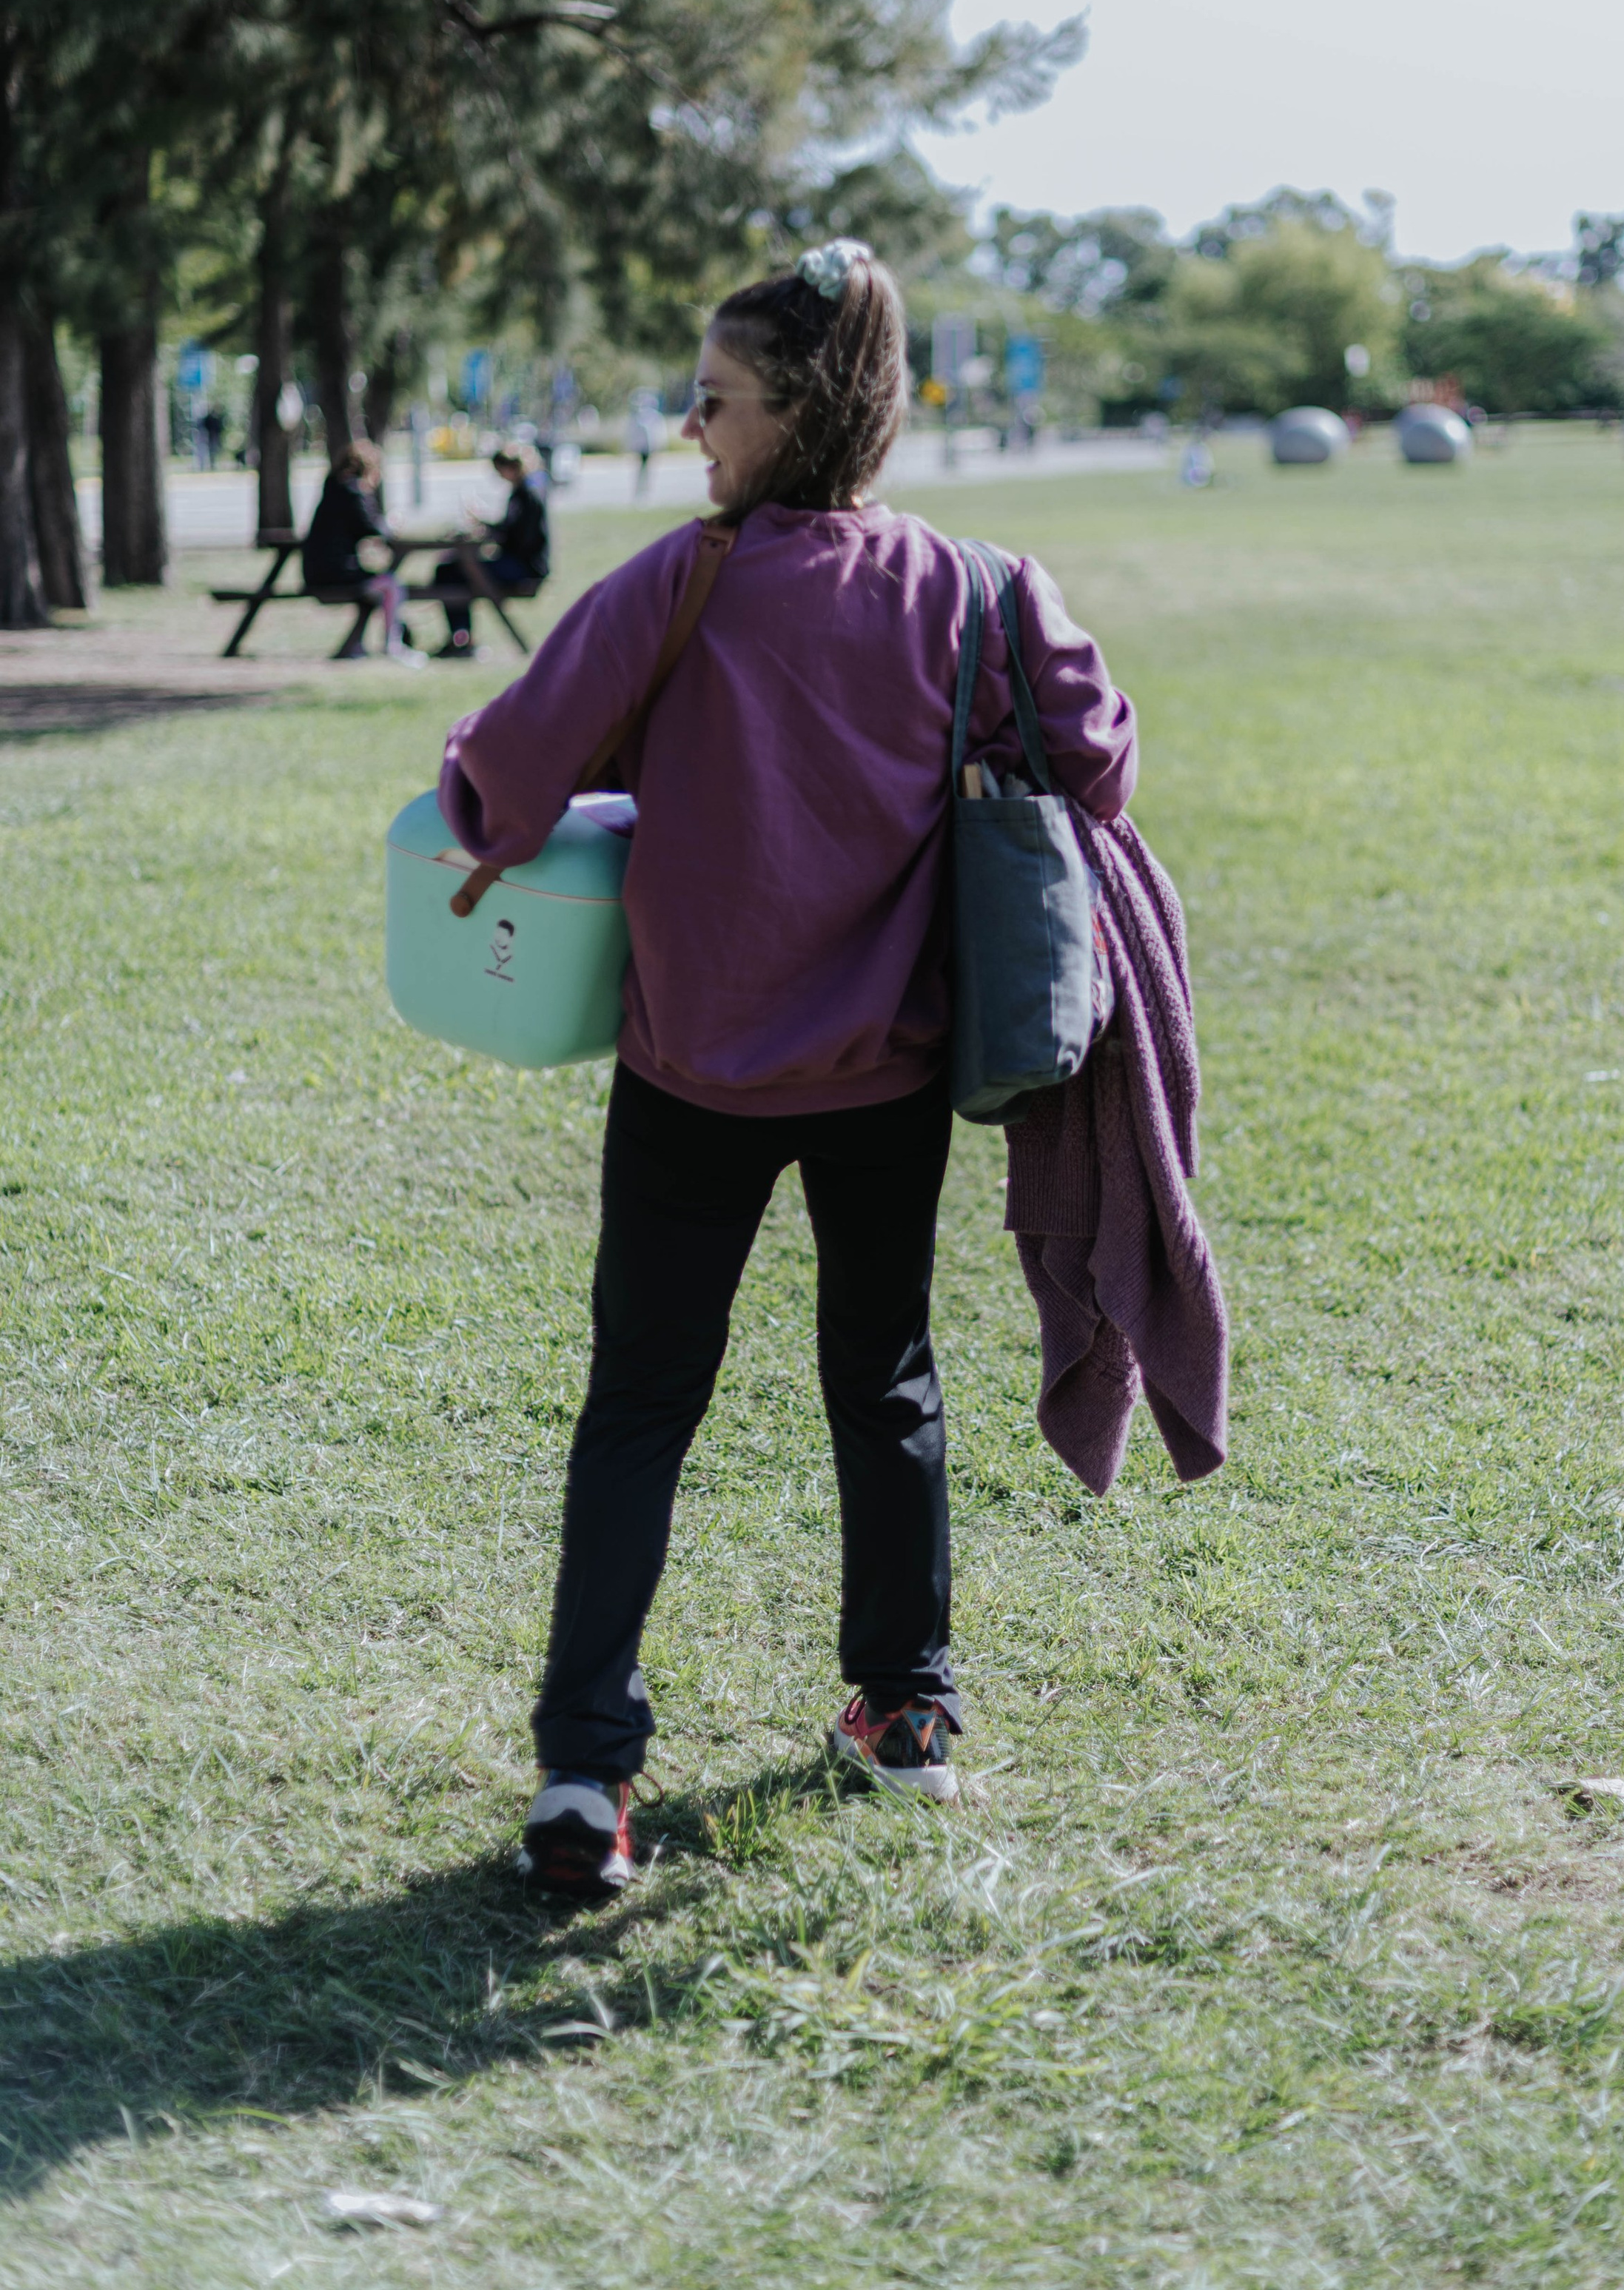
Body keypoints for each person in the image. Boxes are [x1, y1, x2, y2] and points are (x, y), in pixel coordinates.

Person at [437, 239, 1136, 1901]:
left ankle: (582, 1780)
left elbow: (493, 797)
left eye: (715, 401)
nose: (692, 431)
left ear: (802, 409)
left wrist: (589, 782)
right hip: (888, 1075)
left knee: (639, 1408)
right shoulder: (979, 588)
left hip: (689, 1078)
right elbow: (1096, 761)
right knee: (880, 1380)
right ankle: (908, 1715)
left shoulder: (673, 584)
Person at [430, 443, 551, 657]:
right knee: (452, 571)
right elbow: (509, 532)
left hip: (525, 568)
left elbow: (519, 538)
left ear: (512, 467)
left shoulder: (528, 495)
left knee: (450, 572)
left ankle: (461, 639)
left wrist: (487, 527)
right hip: (517, 562)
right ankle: (462, 638)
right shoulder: (521, 493)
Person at [301, 440, 412, 658]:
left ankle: (357, 645)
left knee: (376, 588)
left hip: (317, 571)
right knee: (391, 586)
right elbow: (371, 528)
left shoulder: (333, 488)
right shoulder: (353, 491)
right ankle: (393, 645)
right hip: (335, 573)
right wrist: (389, 524)